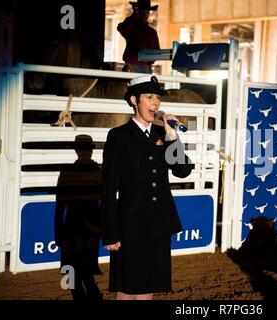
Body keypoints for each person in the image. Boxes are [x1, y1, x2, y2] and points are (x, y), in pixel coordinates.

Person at [101, 75, 193, 300]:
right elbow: (108, 187)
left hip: (159, 222)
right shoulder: (118, 136)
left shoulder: (164, 135)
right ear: (134, 100)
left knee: (149, 283)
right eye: (149, 97)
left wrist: (173, 138)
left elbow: (182, 171)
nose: (155, 103)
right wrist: (111, 232)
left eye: (158, 98)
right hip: (130, 224)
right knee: (127, 285)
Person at [55, 134, 103, 300]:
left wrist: (58, 232)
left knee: (72, 278)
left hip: (71, 228)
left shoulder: (67, 172)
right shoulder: (98, 172)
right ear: (90, 150)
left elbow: (60, 205)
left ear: (76, 150)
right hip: (91, 230)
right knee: (88, 276)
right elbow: (104, 204)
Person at [117, 0, 160, 73]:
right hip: (131, 66)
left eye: (147, 12)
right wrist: (134, 14)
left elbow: (157, 51)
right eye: (142, 12)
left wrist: (148, 60)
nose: (145, 15)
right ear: (138, 12)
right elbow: (121, 28)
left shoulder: (152, 32)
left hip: (146, 67)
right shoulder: (131, 28)